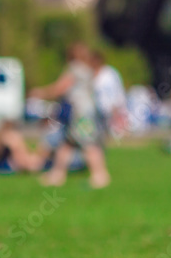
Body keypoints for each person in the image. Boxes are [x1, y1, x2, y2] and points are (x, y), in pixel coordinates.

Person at [30, 43, 111, 189]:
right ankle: (57, 175)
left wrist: (40, 93)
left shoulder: (75, 69)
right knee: (67, 143)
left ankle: (100, 175)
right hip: (85, 112)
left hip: (81, 114)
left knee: (88, 144)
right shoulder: (87, 69)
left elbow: (60, 88)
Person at [90, 50, 128, 138]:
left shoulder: (109, 73)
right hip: (97, 111)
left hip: (112, 110)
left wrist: (115, 107)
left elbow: (116, 91)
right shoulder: (90, 74)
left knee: (115, 135)